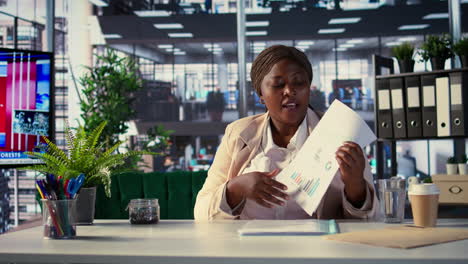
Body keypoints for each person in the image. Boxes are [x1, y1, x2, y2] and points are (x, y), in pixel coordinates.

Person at [194, 45, 378, 221]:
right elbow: (201, 213)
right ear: (261, 94)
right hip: (250, 248)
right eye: (278, 85)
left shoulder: (341, 133)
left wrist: (356, 187)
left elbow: (374, 219)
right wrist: (235, 188)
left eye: (299, 83)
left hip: (317, 249)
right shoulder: (238, 133)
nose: (290, 91)